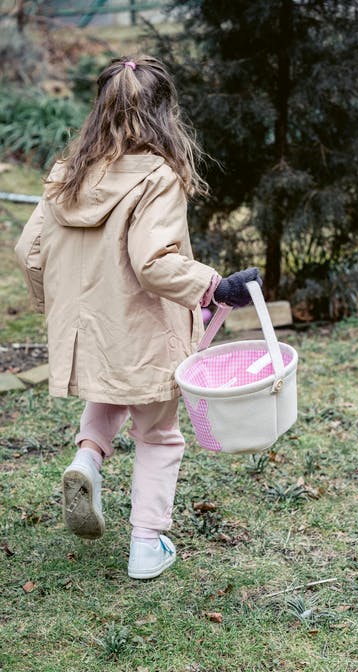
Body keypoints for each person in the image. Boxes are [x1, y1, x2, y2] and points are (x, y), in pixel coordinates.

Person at [15, 56, 262, 580]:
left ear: (99, 110)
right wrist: (215, 286)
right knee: (159, 434)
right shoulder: (158, 177)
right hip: (144, 329)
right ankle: (147, 546)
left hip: (90, 329)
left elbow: (27, 250)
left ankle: (87, 460)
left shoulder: (66, 174)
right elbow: (153, 263)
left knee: (108, 389)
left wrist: (53, 305)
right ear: (163, 113)